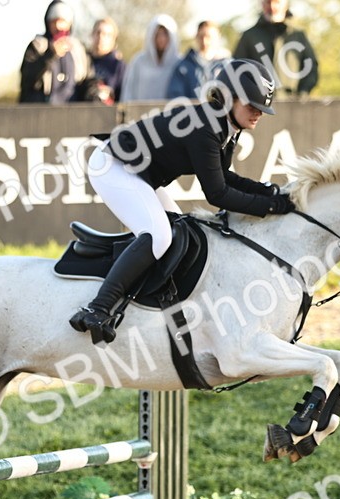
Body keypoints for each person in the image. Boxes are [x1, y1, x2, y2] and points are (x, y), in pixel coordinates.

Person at [70, 59, 295, 345]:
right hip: (112, 166)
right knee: (159, 236)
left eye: (262, 109)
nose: (258, 114)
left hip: (136, 171)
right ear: (228, 98)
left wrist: (271, 192)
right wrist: (271, 206)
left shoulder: (224, 123)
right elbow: (217, 195)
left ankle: (153, 305)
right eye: (252, 105)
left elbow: (225, 177)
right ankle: (98, 308)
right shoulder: (206, 126)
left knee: (179, 230)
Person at [233, 0, 318, 96]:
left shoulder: (298, 36)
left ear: (285, 4)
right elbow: (236, 69)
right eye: (268, 2)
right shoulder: (249, 36)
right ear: (262, 4)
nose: (272, 7)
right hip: (259, 105)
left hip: (292, 103)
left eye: (277, 2)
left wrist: (302, 95)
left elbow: (311, 68)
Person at [20, 1, 94, 104]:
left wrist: (95, 92)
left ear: (70, 24)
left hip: (71, 113)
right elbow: (27, 79)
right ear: (48, 23)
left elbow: (88, 79)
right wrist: (50, 55)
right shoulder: (37, 45)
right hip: (41, 111)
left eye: (62, 21)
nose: (58, 26)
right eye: (54, 22)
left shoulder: (78, 49)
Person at [121, 14, 181, 102]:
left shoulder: (179, 63)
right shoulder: (139, 61)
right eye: (157, 34)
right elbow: (128, 91)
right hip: (139, 114)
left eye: (165, 34)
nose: (161, 39)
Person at [168, 21, 230, 100]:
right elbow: (175, 98)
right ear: (196, 37)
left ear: (218, 37)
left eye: (208, 36)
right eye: (201, 36)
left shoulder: (227, 65)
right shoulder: (183, 67)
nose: (204, 41)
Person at [89, 18, 126, 104]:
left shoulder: (118, 65)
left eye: (106, 35)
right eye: (98, 33)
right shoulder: (83, 60)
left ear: (114, 39)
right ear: (92, 34)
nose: (101, 37)